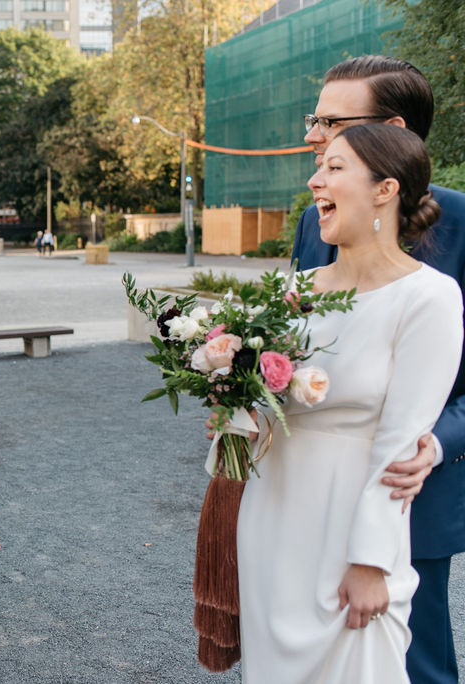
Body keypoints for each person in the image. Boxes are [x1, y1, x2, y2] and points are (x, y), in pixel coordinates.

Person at [234, 124, 463, 682]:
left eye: (335, 168)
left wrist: (370, 562)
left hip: (350, 522)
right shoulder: (296, 293)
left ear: (385, 188)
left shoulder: (428, 296)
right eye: (321, 168)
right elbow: (262, 412)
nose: (316, 180)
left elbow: (400, 440)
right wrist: (227, 391)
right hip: (271, 514)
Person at [290, 55, 465, 684]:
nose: (313, 135)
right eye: (314, 119)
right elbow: (297, 349)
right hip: (308, 498)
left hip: (408, 486)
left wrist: (436, 445)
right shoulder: (316, 221)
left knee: (413, 667)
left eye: (330, 122)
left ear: (392, 132)